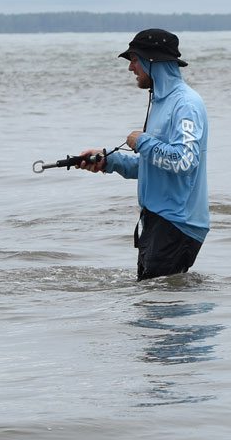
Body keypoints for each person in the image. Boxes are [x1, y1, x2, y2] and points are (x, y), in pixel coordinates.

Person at [76, 28, 210, 279]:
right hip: (157, 221)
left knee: (159, 311)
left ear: (152, 61)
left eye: (134, 59)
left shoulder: (186, 104)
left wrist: (143, 142)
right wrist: (110, 161)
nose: (130, 68)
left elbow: (185, 161)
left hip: (177, 225)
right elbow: (154, 166)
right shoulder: (160, 102)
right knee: (152, 306)